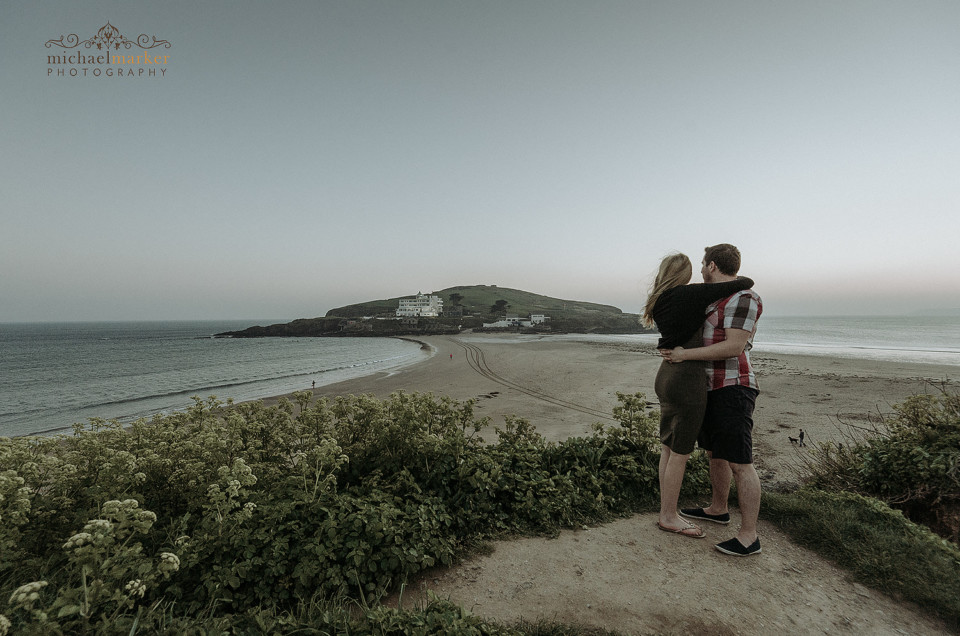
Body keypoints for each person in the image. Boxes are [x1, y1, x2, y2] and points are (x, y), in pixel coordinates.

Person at [661, 243, 763, 556]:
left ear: (713, 265)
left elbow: (733, 347)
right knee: (715, 454)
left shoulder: (743, 298)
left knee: (740, 462)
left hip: (733, 386)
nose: (701, 270)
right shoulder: (713, 298)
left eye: (704, 264)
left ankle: (749, 536)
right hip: (709, 386)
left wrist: (683, 355)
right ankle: (718, 508)